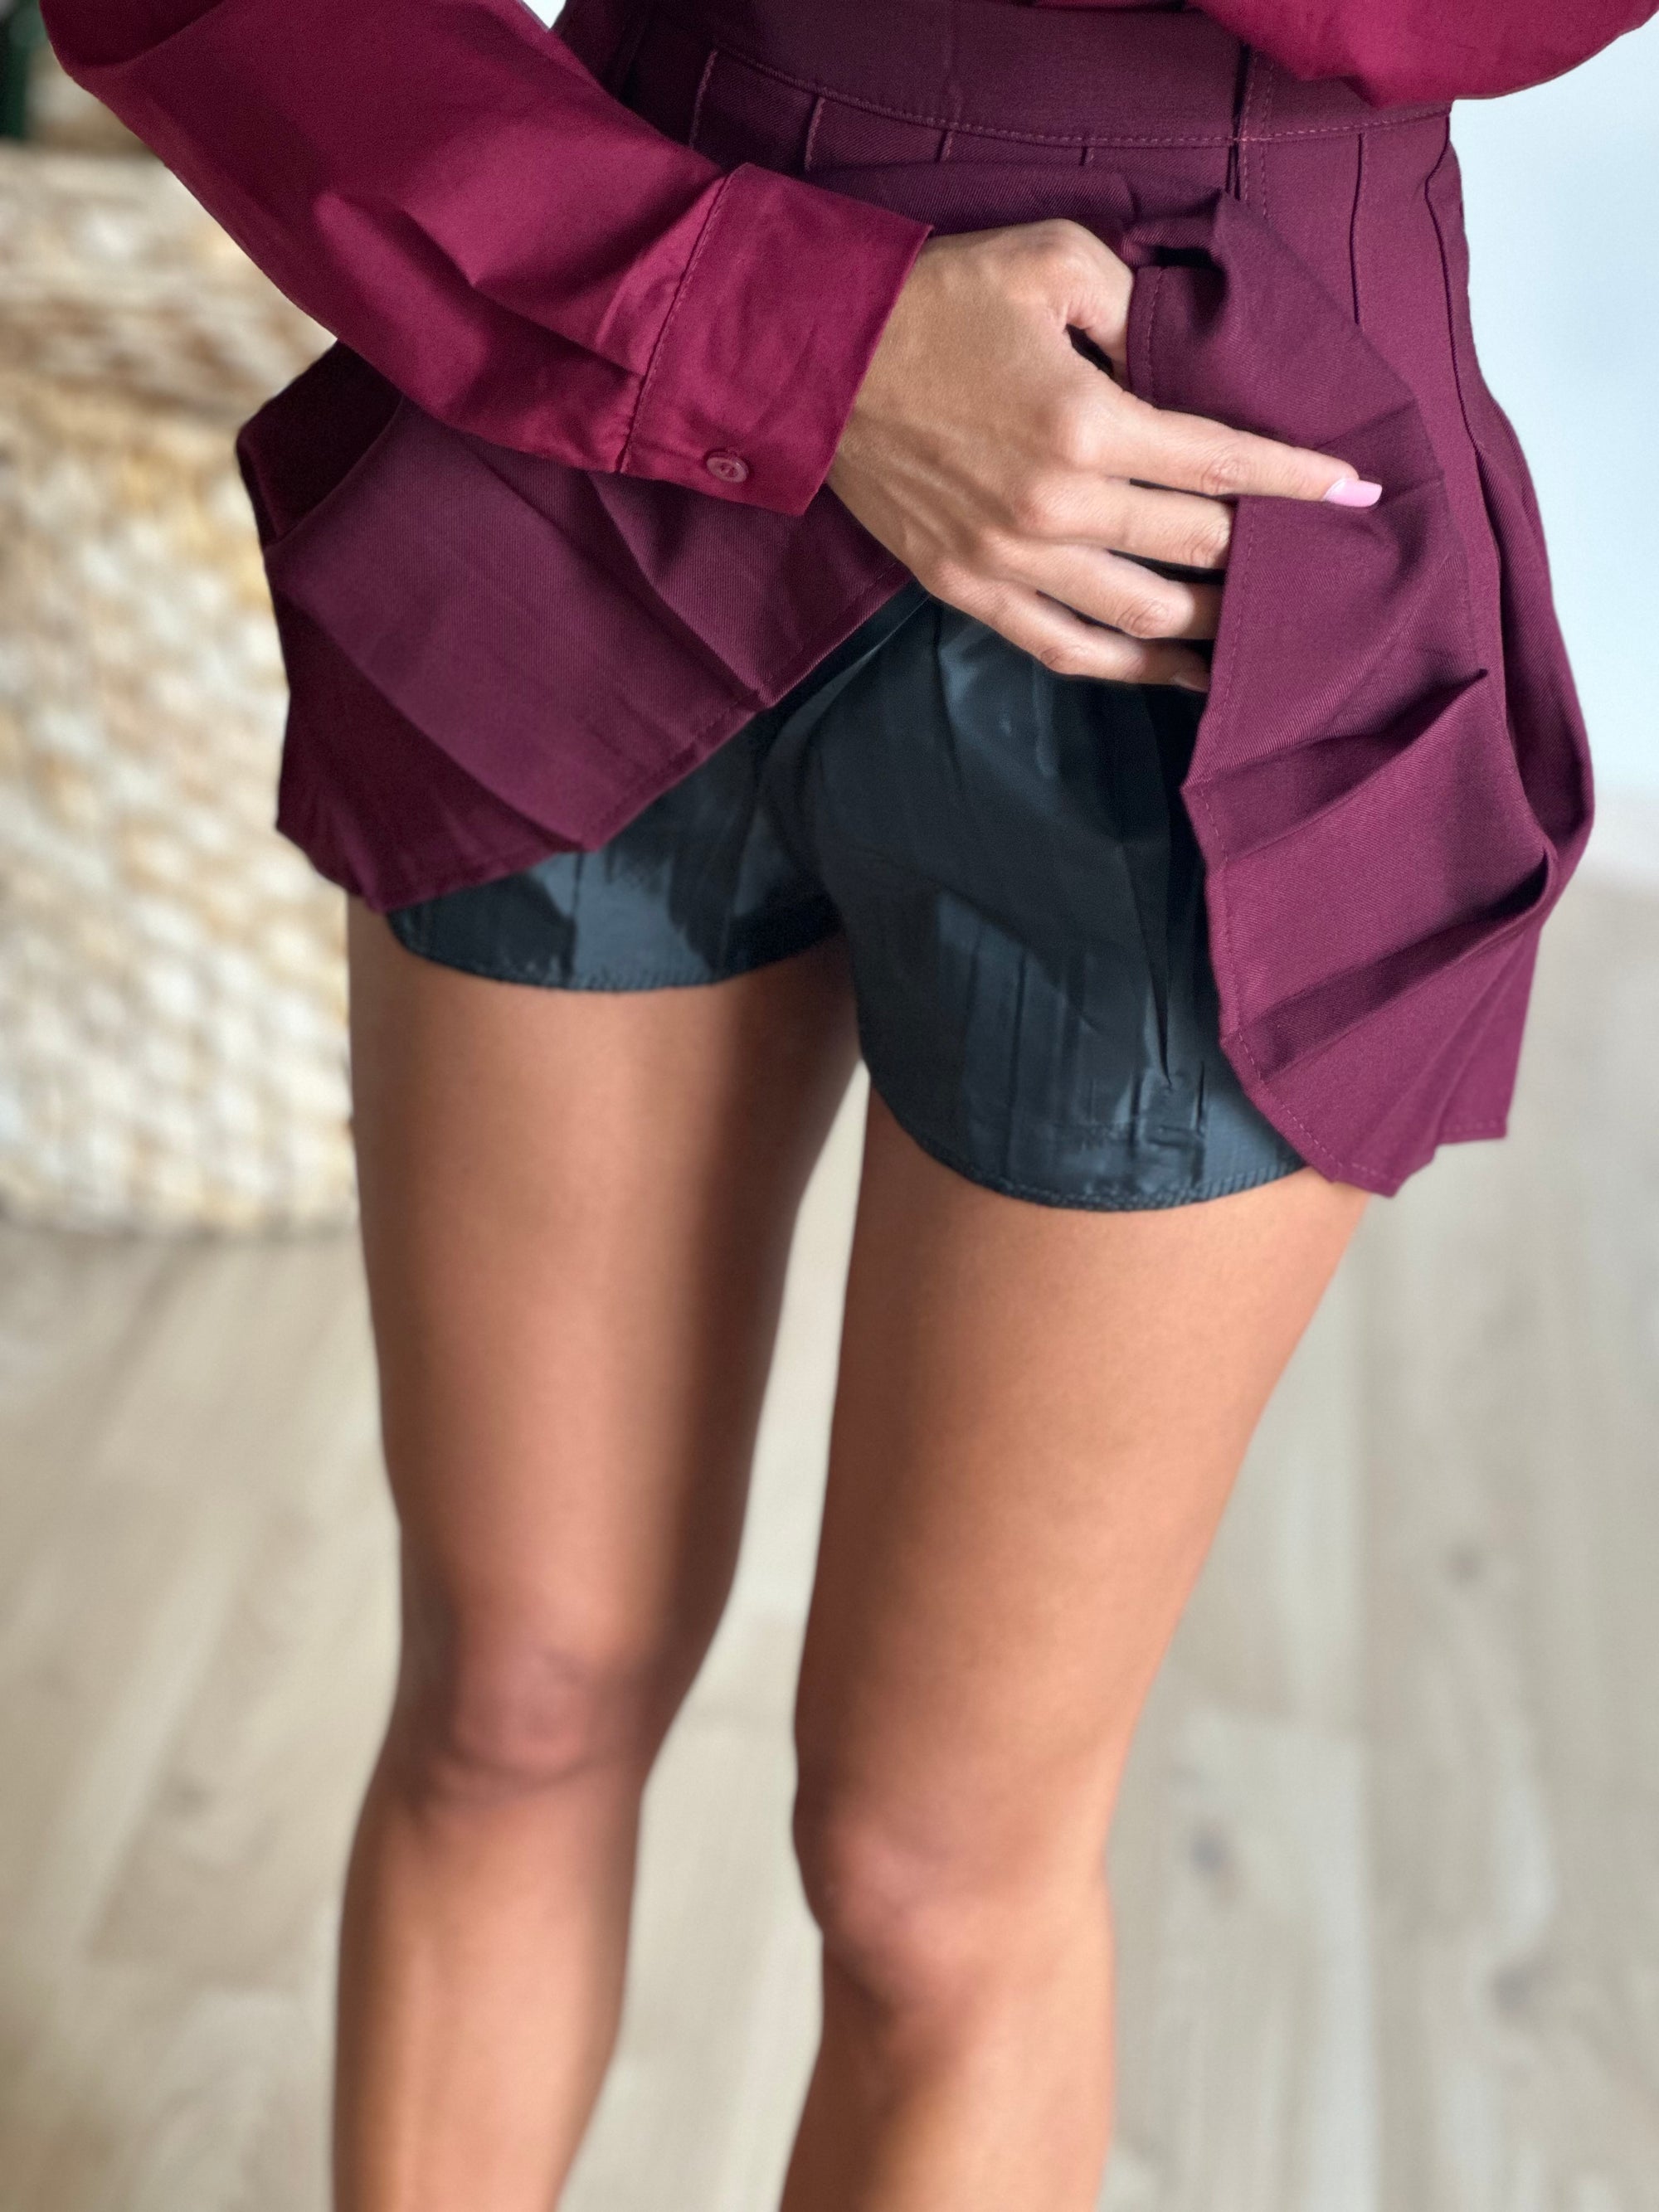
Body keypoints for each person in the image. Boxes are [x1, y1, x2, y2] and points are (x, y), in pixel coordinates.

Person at [39, 0, 1653, 2205]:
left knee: (930, 1880)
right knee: (516, 1691)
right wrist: (786, 334)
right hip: (616, 346)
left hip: (1210, 515)